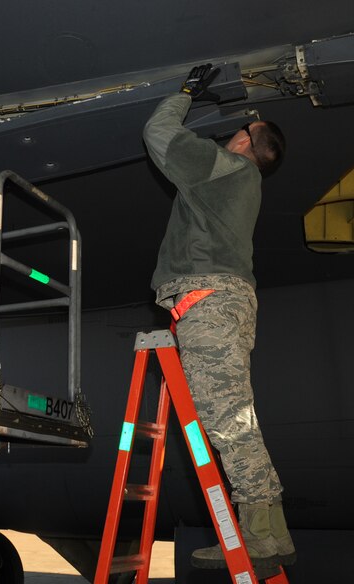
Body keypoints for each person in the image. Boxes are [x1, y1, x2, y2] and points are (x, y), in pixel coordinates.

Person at [143, 64, 293, 574]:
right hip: (223, 303)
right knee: (235, 420)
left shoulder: (227, 168)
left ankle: (256, 536)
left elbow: (158, 134)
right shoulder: (237, 181)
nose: (232, 130)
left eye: (241, 128)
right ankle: (270, 535)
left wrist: (184, 94)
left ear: (250, 143)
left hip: (209, 305)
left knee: (228, 424)